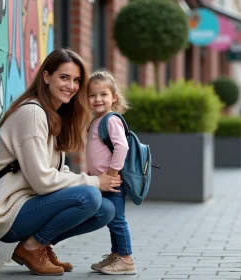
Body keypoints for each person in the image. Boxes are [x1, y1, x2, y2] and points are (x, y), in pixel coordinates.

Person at [0, 49, 122, 276]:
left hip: (31, 203)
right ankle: (31, 247)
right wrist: (94, 181)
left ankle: (41, 245)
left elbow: (57, 170)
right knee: (90, 196)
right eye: (64, 78)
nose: (71, 86)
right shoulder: (32, 113)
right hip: (7, 212)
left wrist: (90, 180)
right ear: (46, 77)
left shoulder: (52, 115)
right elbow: (43, 181)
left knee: (105, 209)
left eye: (76, 80)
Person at [85, 70, 137, 275]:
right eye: (92, 95)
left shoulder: (110, 119)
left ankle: (126, 258)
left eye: (103, 94)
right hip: (103, 180)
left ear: (114, 97)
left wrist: (112, 173)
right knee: (112, 220)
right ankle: (116, 254)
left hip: (112, 181)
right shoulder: (96, 120)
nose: (97, 99)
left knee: (117, 220)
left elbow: (121, 147)